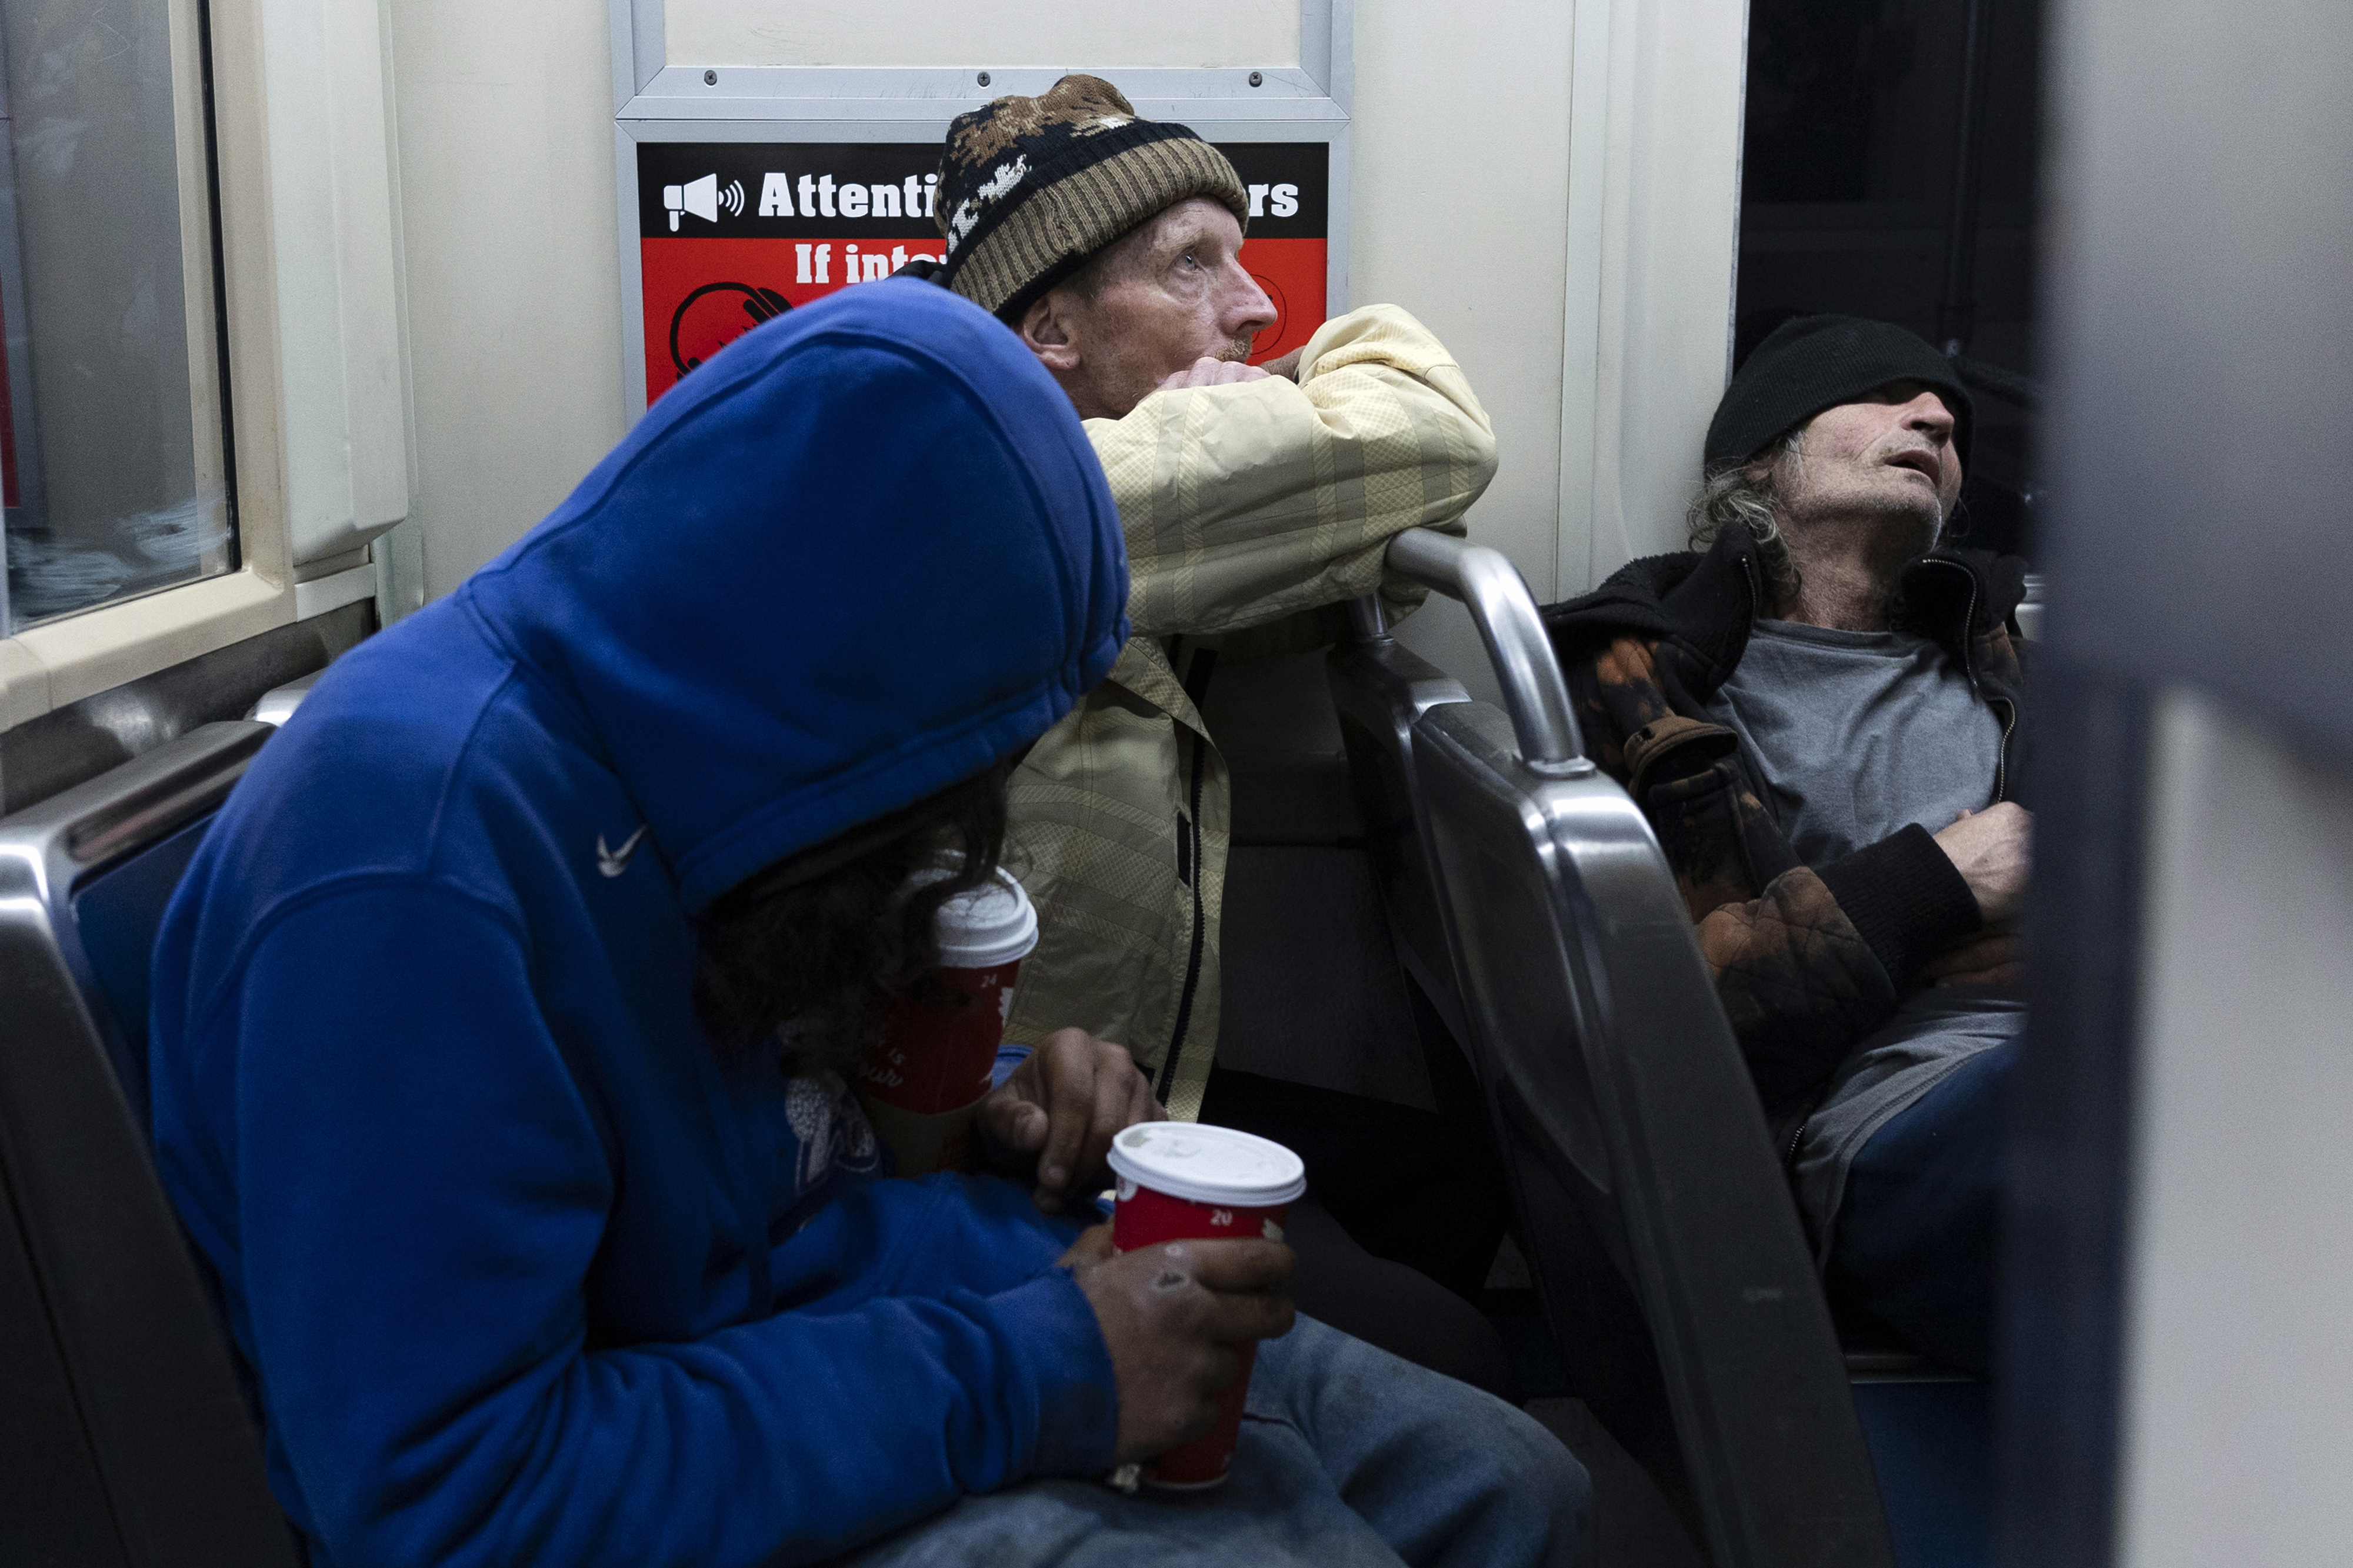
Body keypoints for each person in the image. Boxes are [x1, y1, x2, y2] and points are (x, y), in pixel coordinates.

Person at [145, 281, 1588, 1567]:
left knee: (1509, 1488)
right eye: (940, 772)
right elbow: (455, 1502)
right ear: (824, 684)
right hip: (688, 1438)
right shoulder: (409, 863)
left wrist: (990, 1112)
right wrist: (1040, 1375)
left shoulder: (699, 753)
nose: (956, 826)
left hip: (868, 1304)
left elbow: (753, 1137)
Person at [912, 75, 1518, 1386]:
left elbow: (1367, 551)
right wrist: (1280, 396)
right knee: (1463, 1355)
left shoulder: (1138, 495)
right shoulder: (1038, 491)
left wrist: (1232, 413)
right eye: (1190, 265)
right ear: (1050, 332)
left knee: (1455, 1180)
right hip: (985, 1128)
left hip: (1119, 1085)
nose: (1250, 308)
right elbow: (1430, 432)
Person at [1540, 315, 2032, 1376]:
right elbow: (1667, 1017)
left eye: (1948, 418)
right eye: (1882, 393)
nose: (1938, 419)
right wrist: (1939, 883)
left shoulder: (2000, 660)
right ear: (1765, 456)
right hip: (1865, 1111)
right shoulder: (1646, 677)